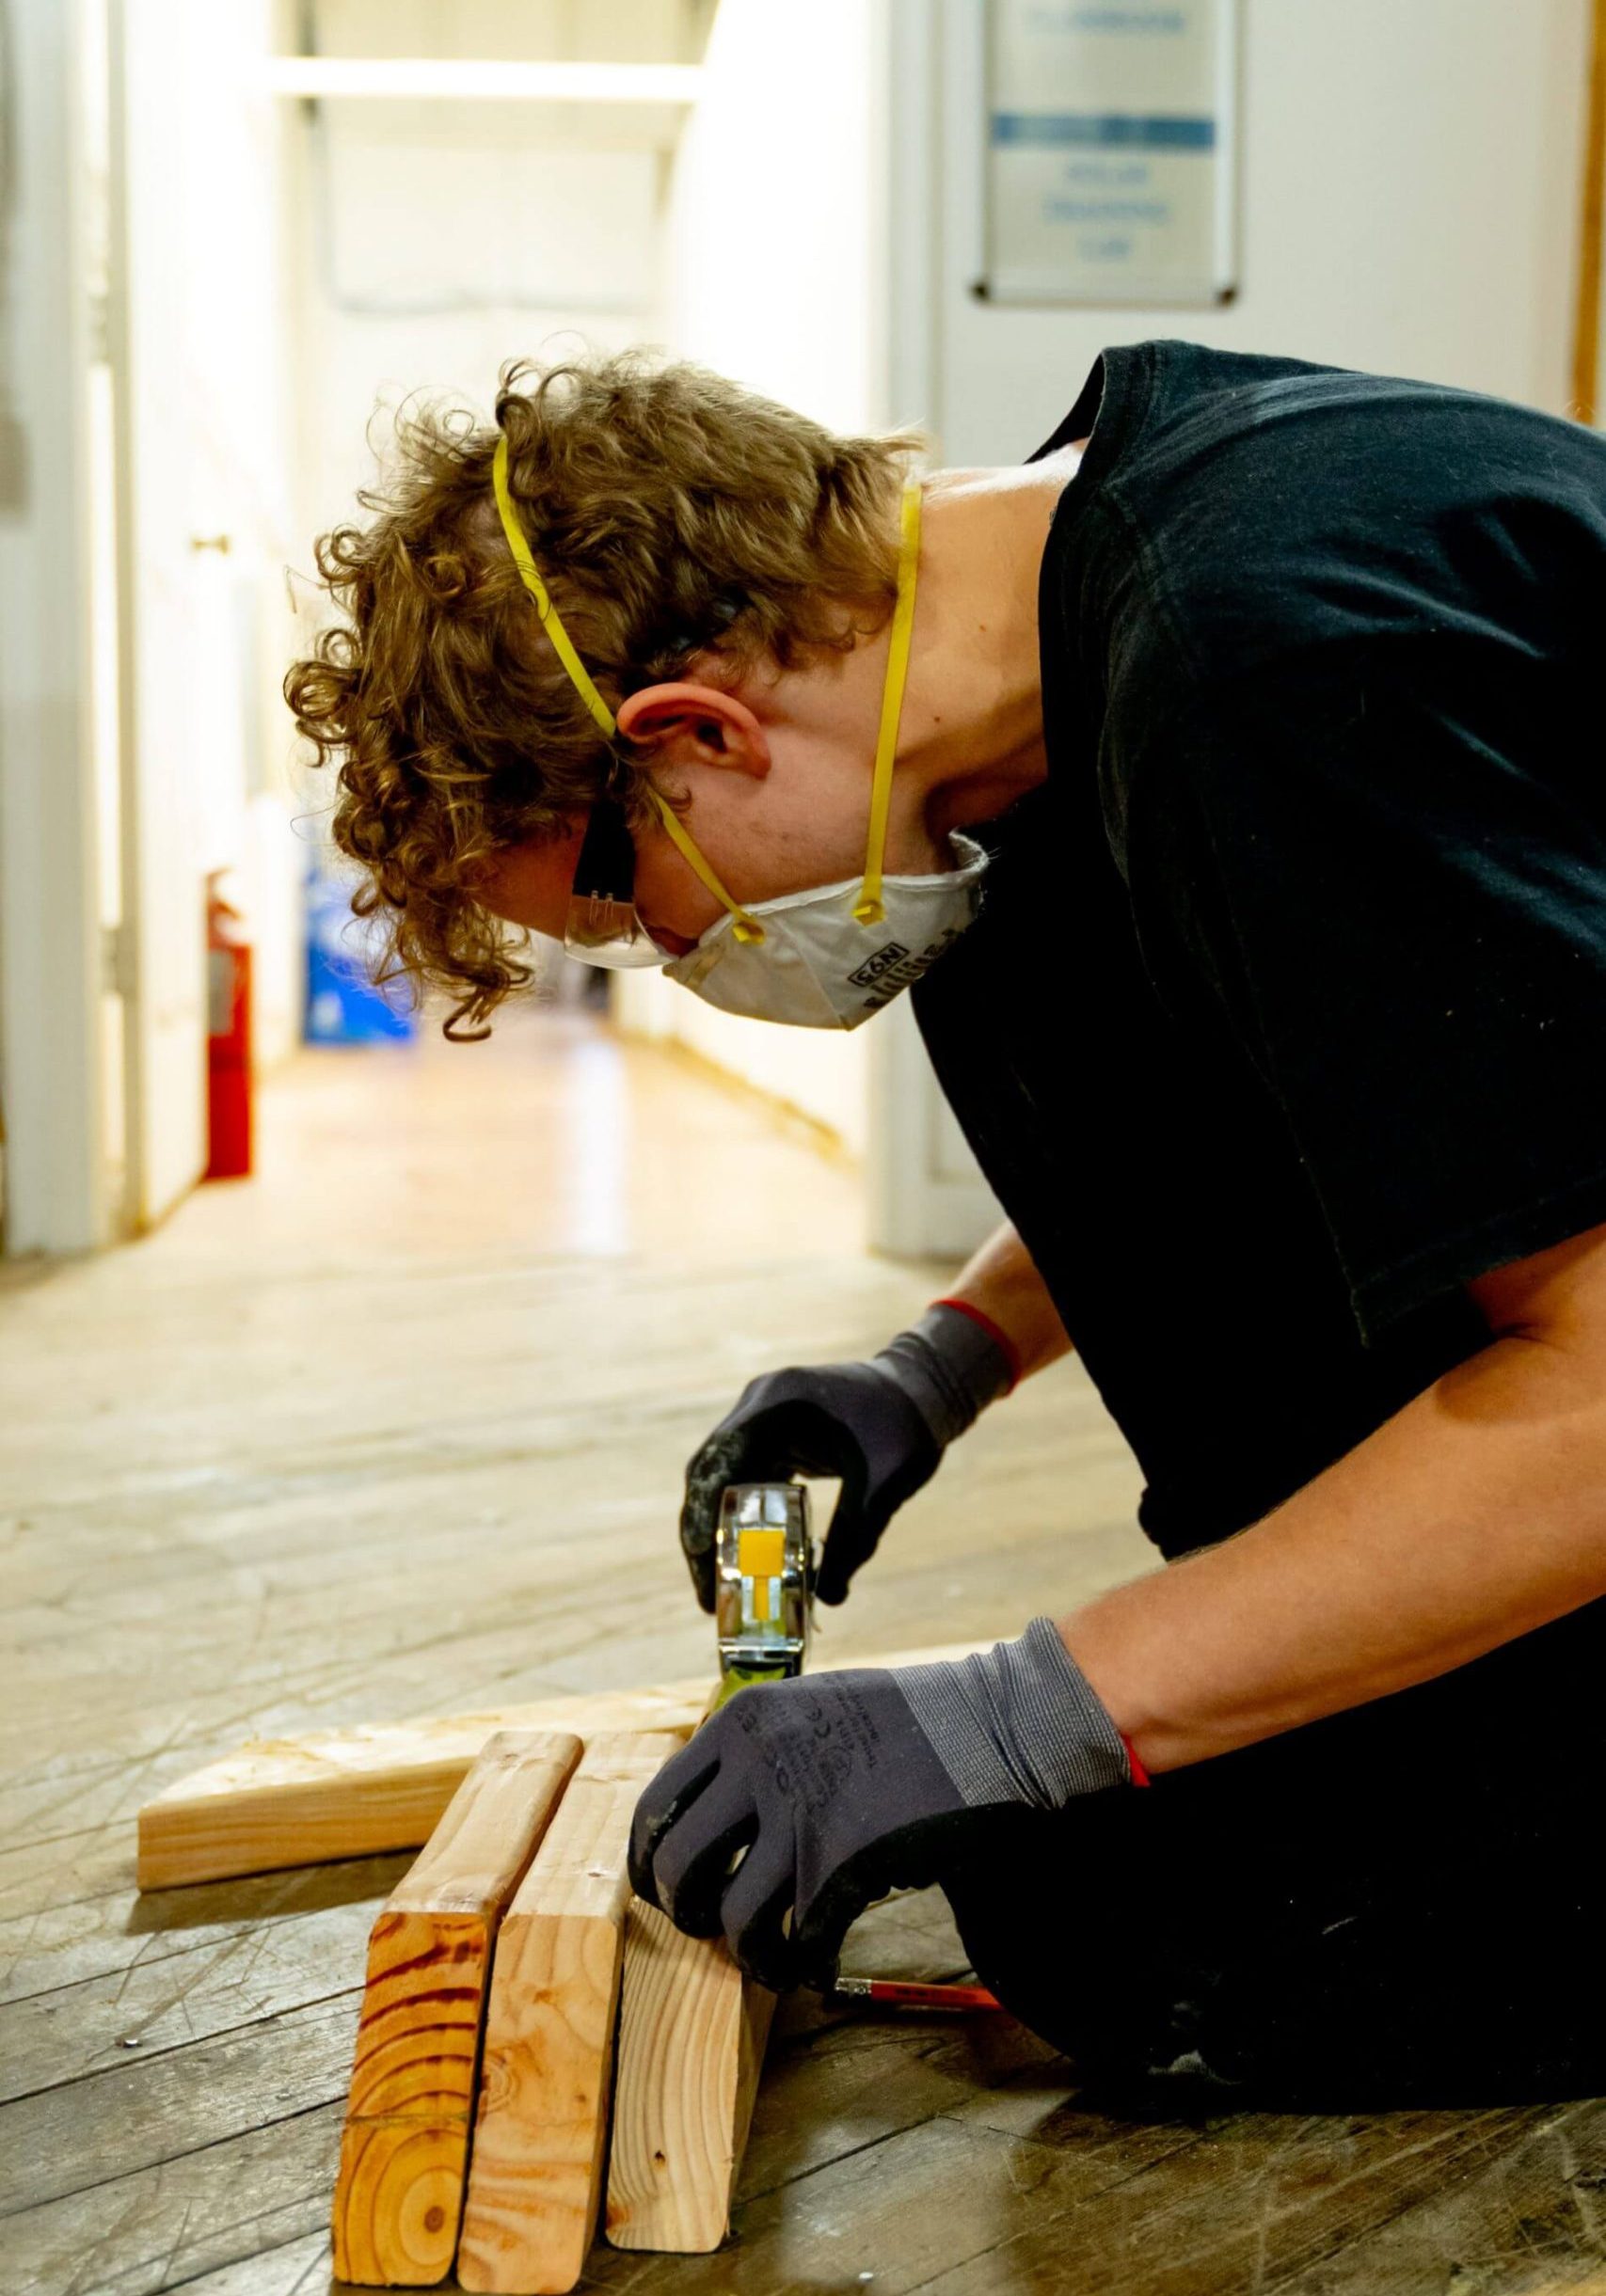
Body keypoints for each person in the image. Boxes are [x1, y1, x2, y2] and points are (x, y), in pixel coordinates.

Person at [287, 340, 1606, 2105]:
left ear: (692, 734)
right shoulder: (1068, 609)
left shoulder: (1250, 663)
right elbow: (1352, 1099)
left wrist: (1007, 1709)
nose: (682, 958)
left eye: (630, 908)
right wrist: (940, 1362)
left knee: (1140, 1927)